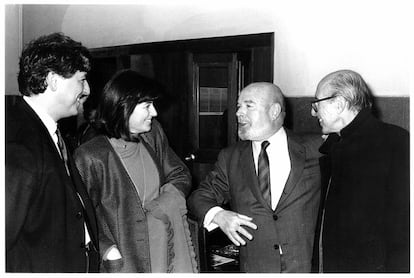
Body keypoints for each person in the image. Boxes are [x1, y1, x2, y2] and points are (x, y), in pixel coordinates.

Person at [188, 82, 322, 272]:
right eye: (238, 106)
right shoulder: (231, 157)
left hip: (306, 267)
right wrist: (218, 215)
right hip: (256, 267)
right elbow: (198, 197)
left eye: (248, 106)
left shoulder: (316, 148)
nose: (238, 113)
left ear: (274, 111)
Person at [73, 69, 198, 273]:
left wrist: (166, 201)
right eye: (147, 106)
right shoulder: (90, 156)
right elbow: (80, 216)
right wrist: (107, 250)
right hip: (125, 258)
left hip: (163, 245)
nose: (155, 113)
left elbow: (180, 174)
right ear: (124, 106)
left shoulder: (152, 133)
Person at [5, 32, 99, 272]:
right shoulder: (19, 144)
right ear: (54, 81)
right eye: (81, 79)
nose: (87, 90)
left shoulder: (49, 132)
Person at [310, 69, 409, 272]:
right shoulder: (335, 144)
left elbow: (404, 226)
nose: (313, 112)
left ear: (338, 104)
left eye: (316, 104)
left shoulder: (395, 142)